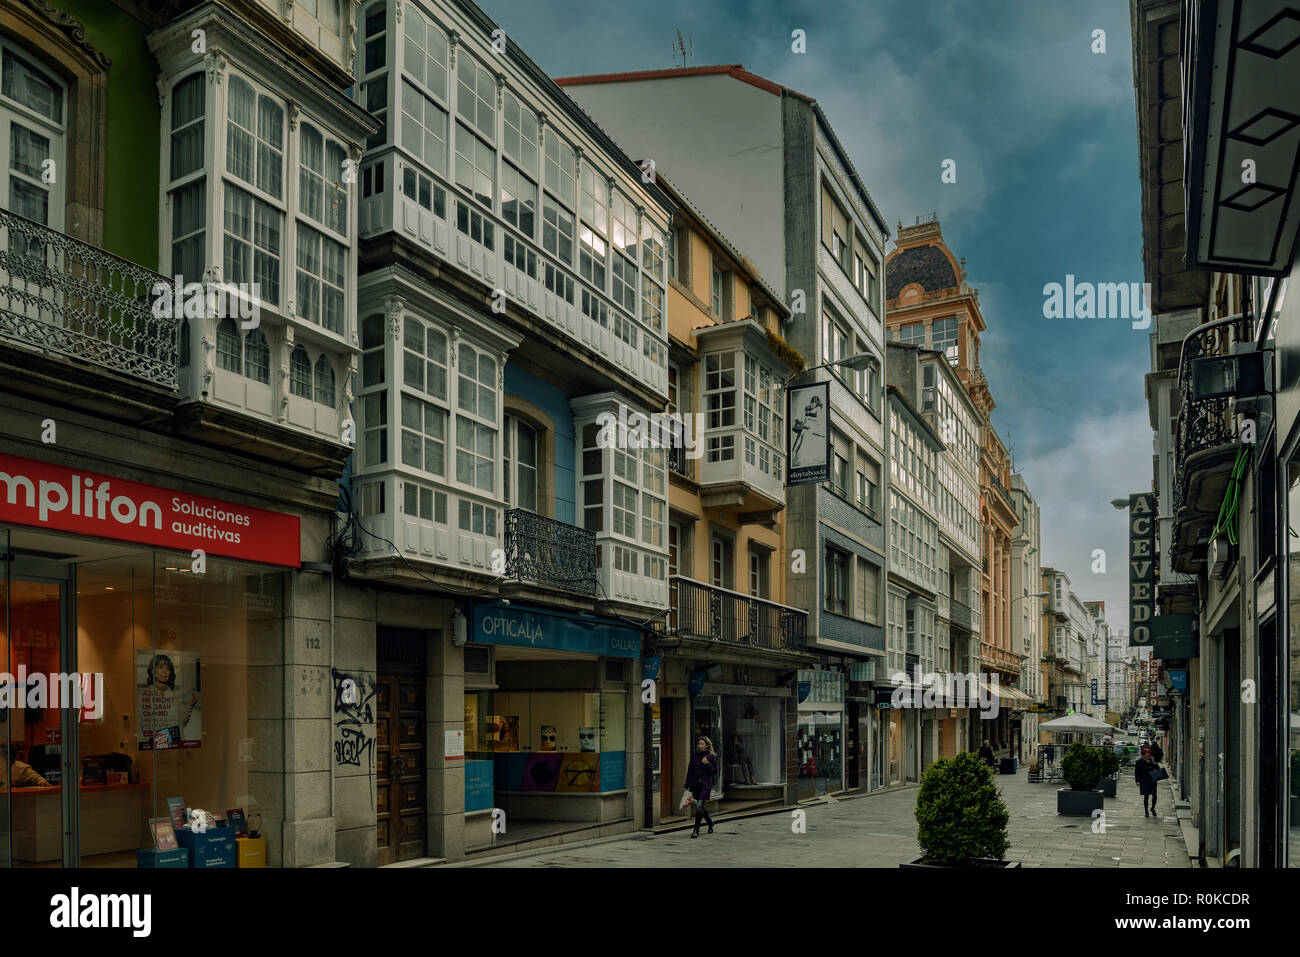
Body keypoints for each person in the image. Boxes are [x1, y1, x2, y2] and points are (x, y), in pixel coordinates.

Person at [685, 736, 718, 838]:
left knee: (699, 806)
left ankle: (696, 830)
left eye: (702, 744)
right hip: (696, 785)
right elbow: (690, 770)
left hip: (705, 785)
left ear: (707, 745)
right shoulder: (694, 755)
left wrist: (707, 764)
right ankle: (710, 823)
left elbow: (715, 771)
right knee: (701, 807)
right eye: (699, 744)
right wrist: (687, 784)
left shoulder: (711, 756)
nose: (700, 745)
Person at [1135, 746, 1160, 817]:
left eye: (1149, 755)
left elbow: (1157, 768)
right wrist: (1137, 781)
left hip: (1152, 781)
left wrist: (1154, 762)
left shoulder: (1152, 762)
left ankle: (1152, 808)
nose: (1148, 756)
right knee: (1146, 797)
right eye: (1147, 755)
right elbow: (1137, 773)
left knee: (1154, 796)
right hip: (1144, 781)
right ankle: (1146, 811)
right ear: (1143, 755)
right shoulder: (1139, 762)